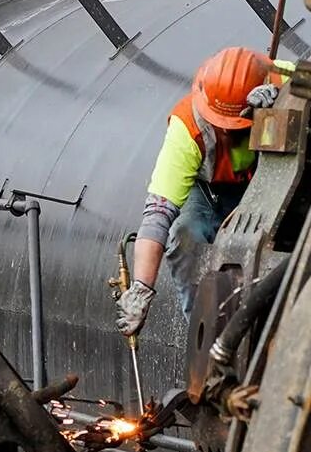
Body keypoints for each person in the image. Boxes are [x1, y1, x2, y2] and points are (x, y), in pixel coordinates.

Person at [116, 46, 282, 335]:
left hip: (270, 184)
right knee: (185, 235)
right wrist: (141, 289)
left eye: (235, 124)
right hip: (209, 191)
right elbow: (157, 214)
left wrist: (288, 102)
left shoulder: (283, 79)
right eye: (221, 124)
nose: (227, 131)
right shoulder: (188, 126)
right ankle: (205, 335)